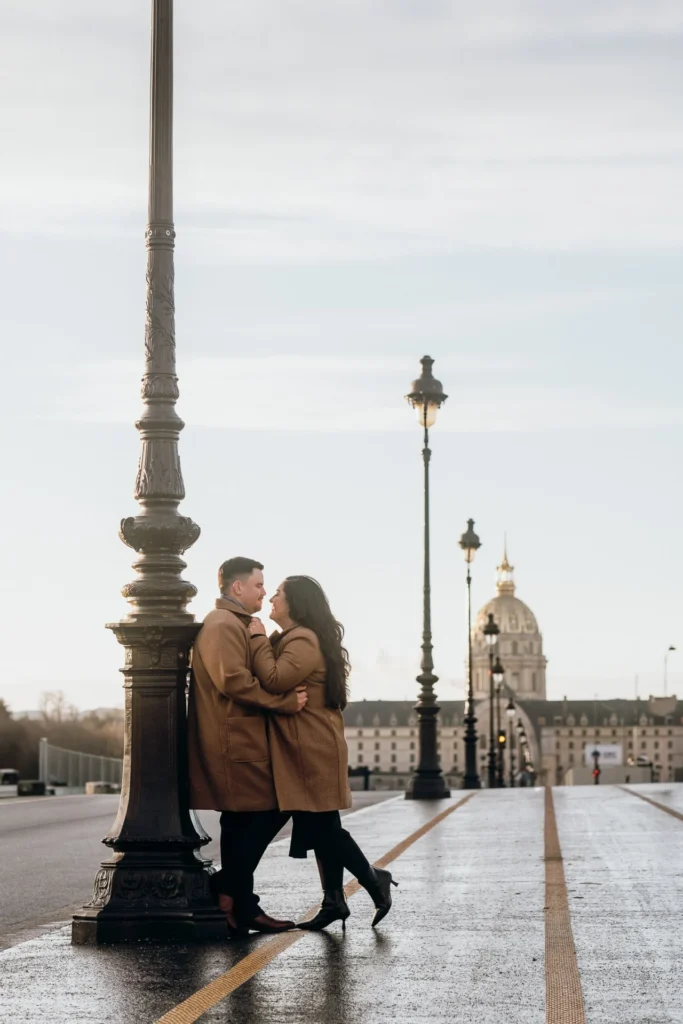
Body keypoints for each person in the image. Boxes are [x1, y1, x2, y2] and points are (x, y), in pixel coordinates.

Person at [248, 575, 397, 930]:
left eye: (279, 594)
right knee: (322, 823)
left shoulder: (302, 640)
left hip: (310, 748)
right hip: (309, 745)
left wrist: (255, 637)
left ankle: (374, 879)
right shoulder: (295, 638)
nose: (271, 597)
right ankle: (335, 901)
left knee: (323, 827)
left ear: (296, 603)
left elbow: (273, 678)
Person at [188, 556, 308, 935]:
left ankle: (240, 903)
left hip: (241, 737)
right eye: (258, 585)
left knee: (240, 821)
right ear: (236, 587)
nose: (264, 591)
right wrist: (283, 703)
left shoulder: (236, 623)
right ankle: (229, 891)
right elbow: (234, 682)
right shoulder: (222, 623)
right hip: (231, 739)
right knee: (274, 806)